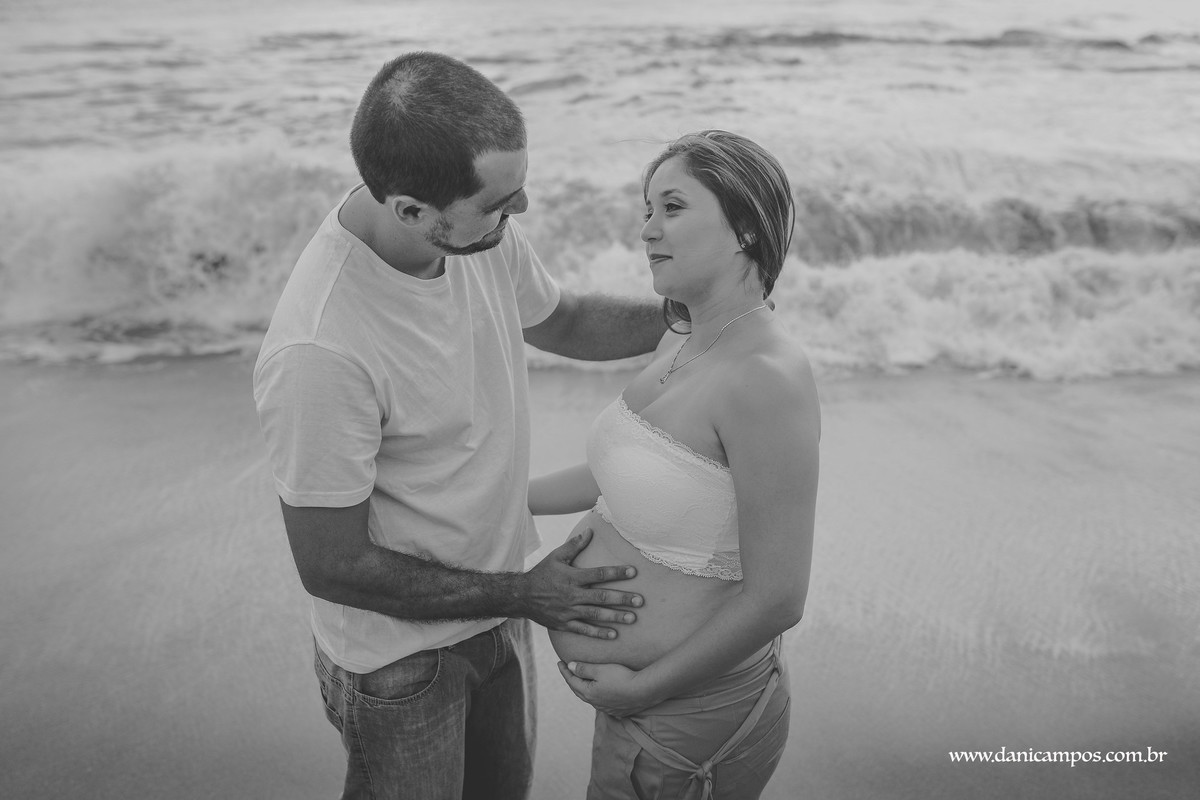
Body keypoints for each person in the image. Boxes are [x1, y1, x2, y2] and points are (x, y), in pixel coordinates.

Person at [252, 51, 667, 800]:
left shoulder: (476, 232)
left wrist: (686, 320)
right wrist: (525, 594)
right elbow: (331, 565)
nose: (523, 212)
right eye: (503, 201)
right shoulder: (321, 350)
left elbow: (564, 319)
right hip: (400, 664)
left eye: (519, 190)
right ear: (410, 209)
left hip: (502, 610)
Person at [528, 130, 820, 799]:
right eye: (646, 212)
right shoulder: (679, 340)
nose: (648, 231)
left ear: (744, 226)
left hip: (691, 717)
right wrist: (507, 499)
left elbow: (779, 597)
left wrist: (641, 688)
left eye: (672, 208)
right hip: (641, 712)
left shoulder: (766, 378)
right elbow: (626, 475)